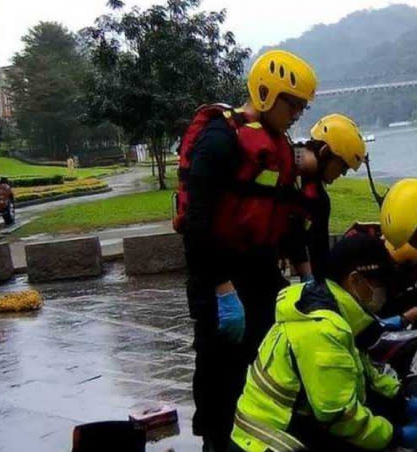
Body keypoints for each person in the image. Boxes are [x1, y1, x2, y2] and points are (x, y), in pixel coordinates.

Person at [175, 50, 317, 451]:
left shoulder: (277, 145)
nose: (296, 115)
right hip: (216, 275)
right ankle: (217, 442)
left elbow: (288, 215)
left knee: (268, 358)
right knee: (220, 372)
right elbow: (196, 223)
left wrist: (306, 274)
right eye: (293, 104)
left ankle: (261, 434)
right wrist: (222, 290)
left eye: (301, 108)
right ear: (269, 94)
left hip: (257, 270)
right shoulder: (219, 139)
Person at [229, 234, 417, 452]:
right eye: (381, 283)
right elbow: (339, 416)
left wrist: (401, 401)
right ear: (355, 280)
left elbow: (364, 374)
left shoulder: (337, 314)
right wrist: (396, 435)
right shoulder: (323, 329)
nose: (385, 292)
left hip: (286, 428)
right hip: (268, 442)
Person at [285, 113, 367, 282]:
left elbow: (319, 253)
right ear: (325, 152)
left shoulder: (319, 199)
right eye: (342, 166)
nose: (342, 174)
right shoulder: (284, 159)